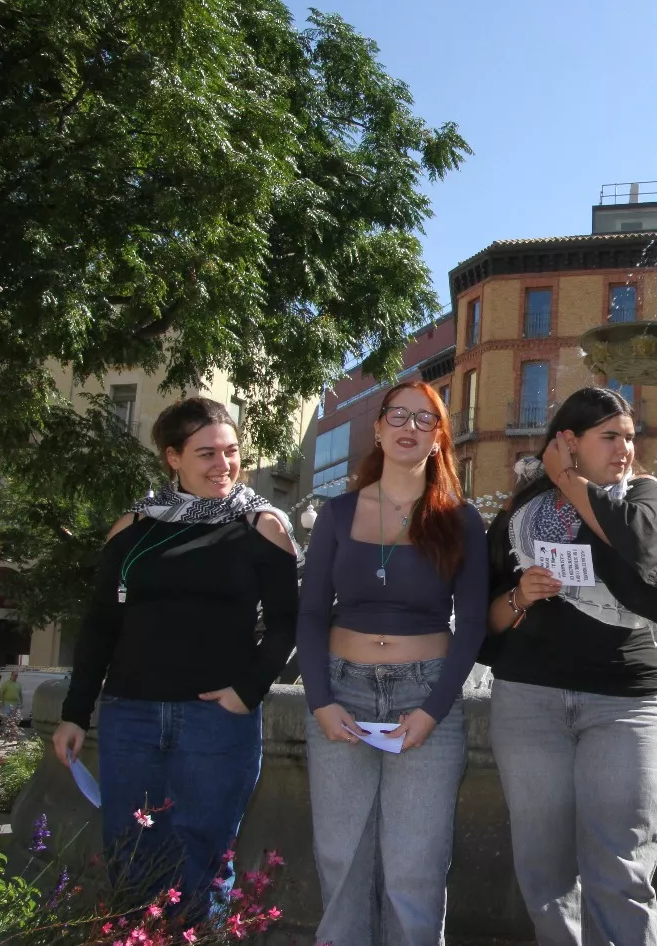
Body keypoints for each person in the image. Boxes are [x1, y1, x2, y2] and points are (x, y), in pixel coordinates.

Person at [50, 397, 299, 913]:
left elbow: (286, 624)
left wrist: (245, 692)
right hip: (130, 717)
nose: (223, 465)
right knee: (129, 857)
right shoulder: (133, 529)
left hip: (216, 721)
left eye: (231, 451)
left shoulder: (263, 526)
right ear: (172, 458)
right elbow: (100, 625)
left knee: (203, 866)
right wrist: (75, 711)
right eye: (206, 453)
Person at [482, 386, 657, 946]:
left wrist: (571, 480)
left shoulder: (643, 496)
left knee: (622, 866)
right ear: (569, 440)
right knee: (543, 868)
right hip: (529, 701)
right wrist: (521, 596)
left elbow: (641, 555)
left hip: (626, 701)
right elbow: (488, 622)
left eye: (628, 437)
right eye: (610, 437)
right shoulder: (519, 510)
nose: (624, 448)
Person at [298, 382, 486, 945]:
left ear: (438, 439)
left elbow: (471, 625)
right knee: (340, 858)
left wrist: (431, 712)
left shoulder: (462, 520)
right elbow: (309, 616)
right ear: (377, 429)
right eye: (397, 415)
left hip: (424, 695)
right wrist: (321, 703)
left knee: (415, 867)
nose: (409, 426)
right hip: (342, 691)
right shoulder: (335, 514)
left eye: (425, 420)